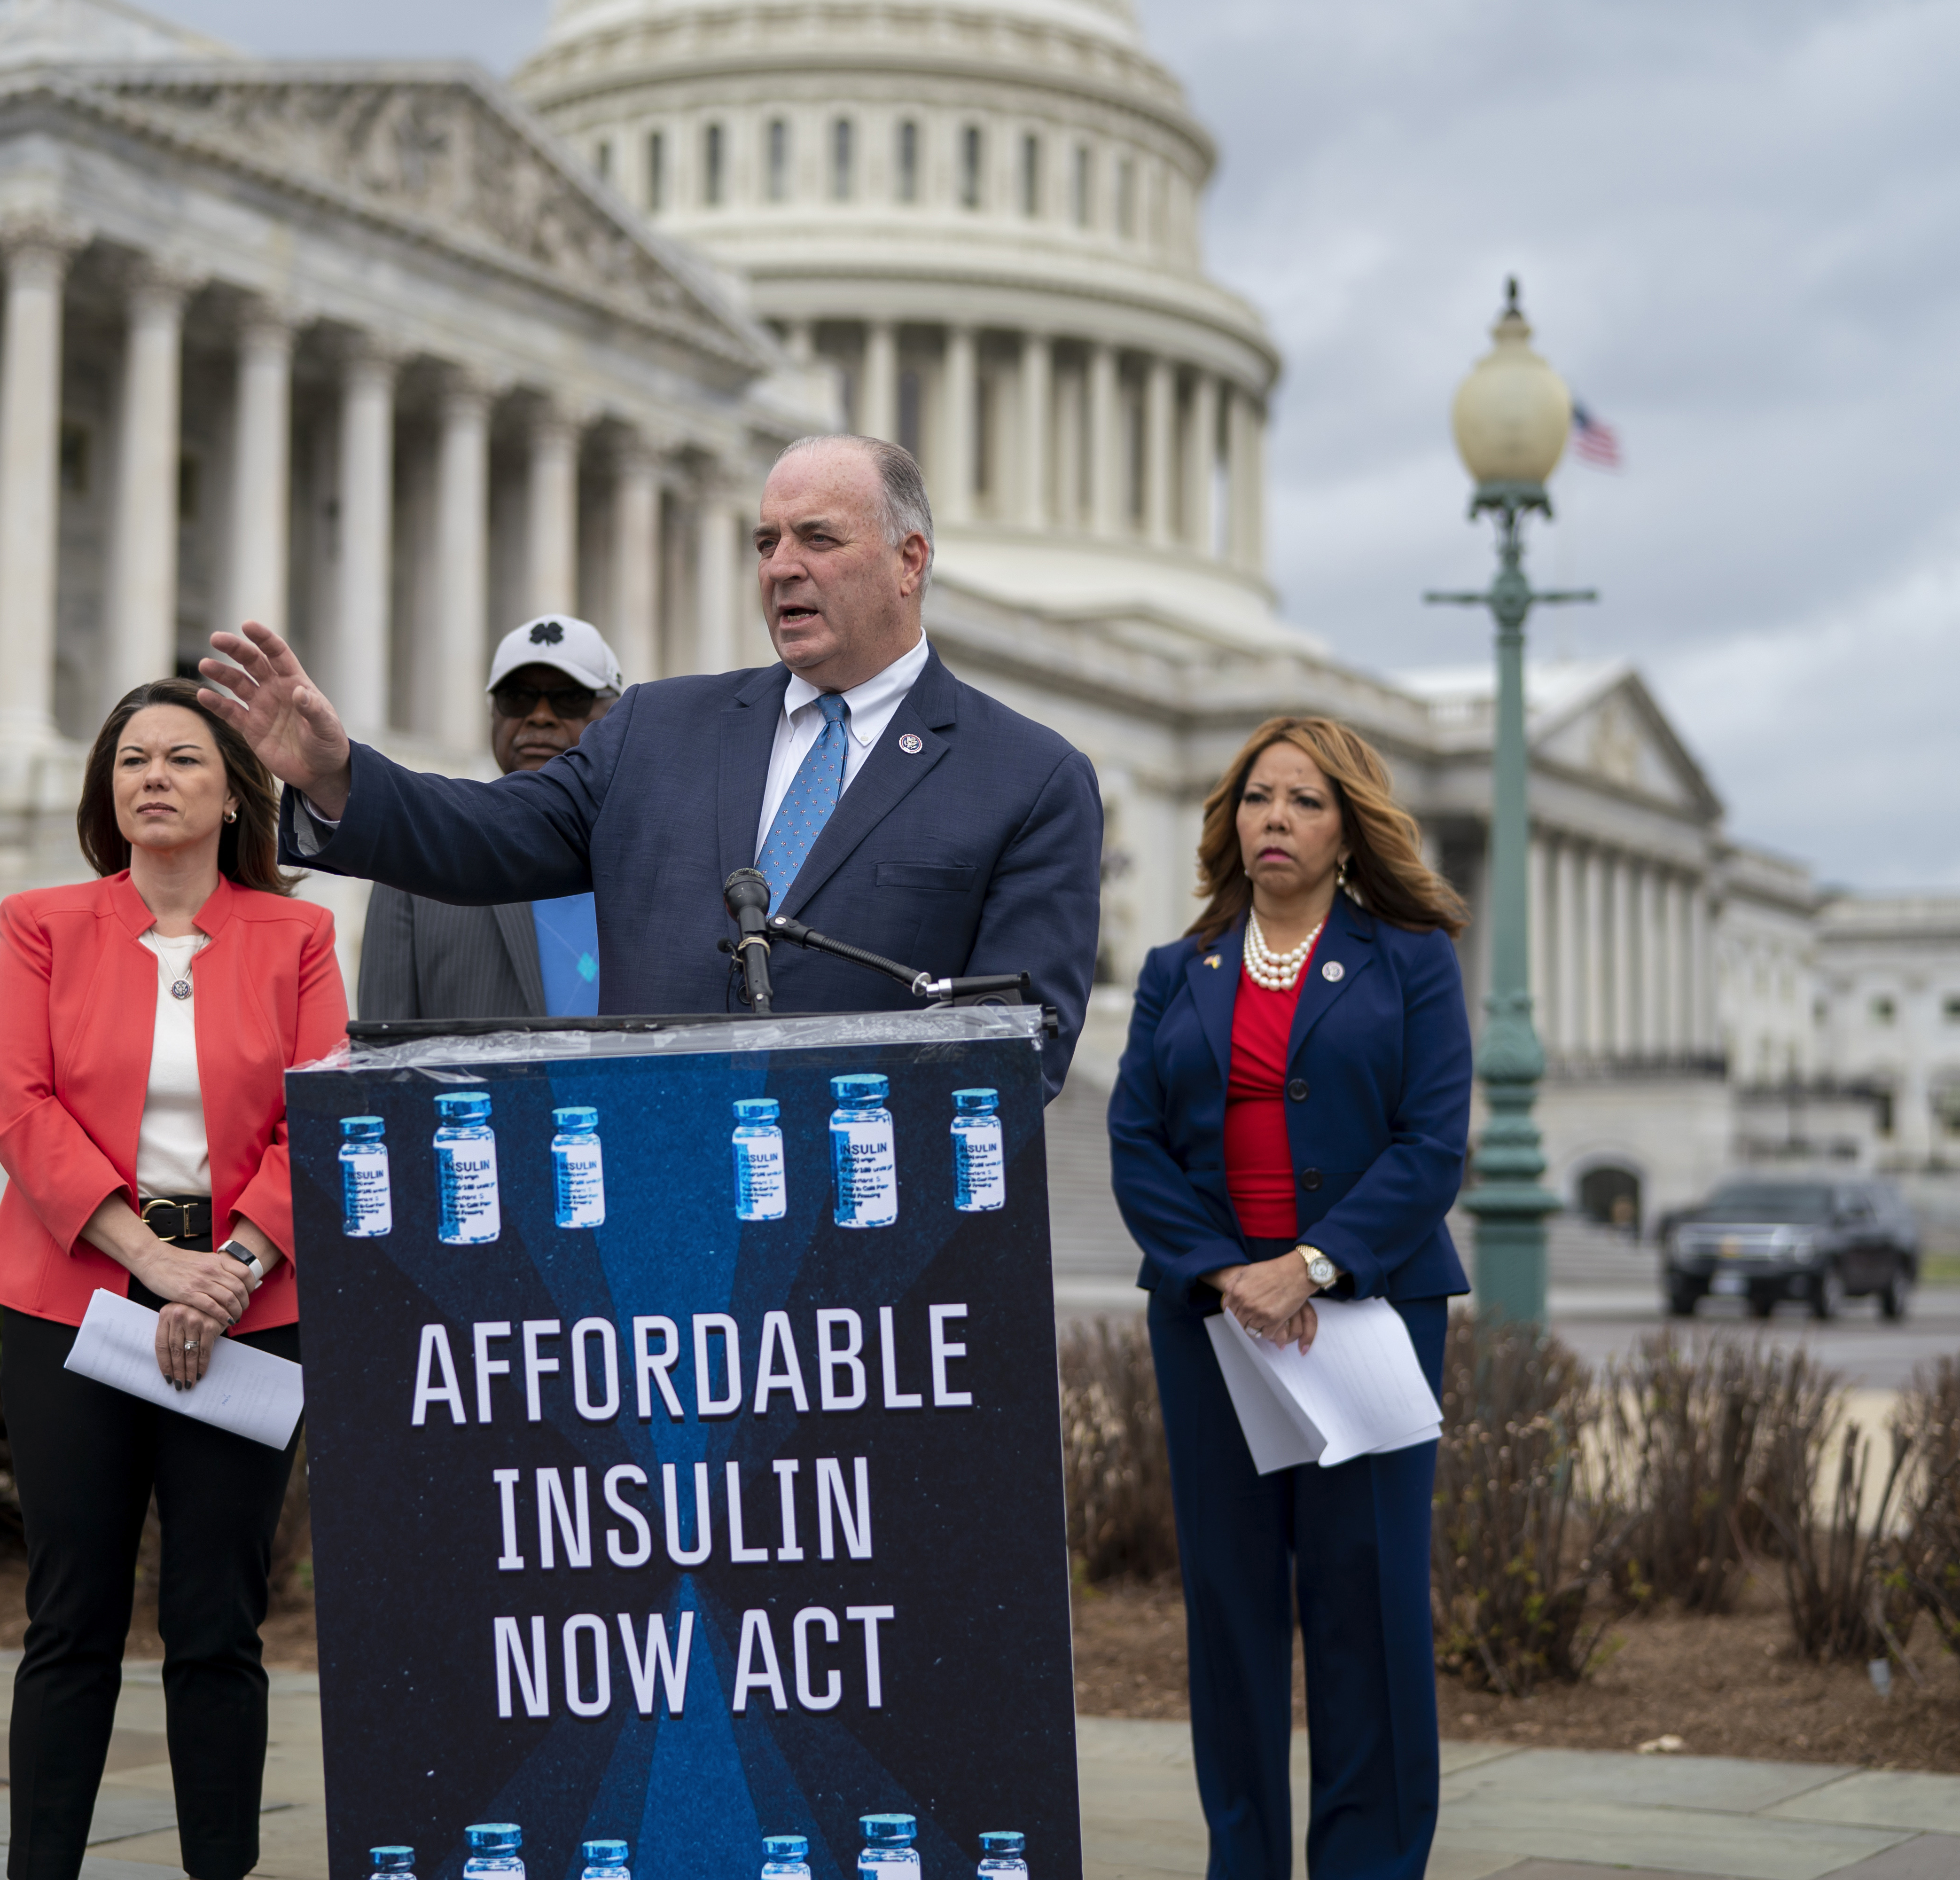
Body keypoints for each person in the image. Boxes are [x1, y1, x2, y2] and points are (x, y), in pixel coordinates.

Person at [198, 433, 1103, 1095]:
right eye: (765, 543)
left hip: (870, 1242)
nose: (781, 567)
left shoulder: (1025, 778)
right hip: (647, 1208)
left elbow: (1022, 1046)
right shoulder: (657, 729)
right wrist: (335, 773)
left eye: (817, 539)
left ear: (910, 562)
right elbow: (488, 836)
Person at [0, 676, 347, 1880]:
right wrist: (149, 1261)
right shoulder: (41, 923)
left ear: (235, 793)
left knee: (215, 1622)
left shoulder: (299, 936)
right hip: (74, 1289)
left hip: (252, 1298)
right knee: (70, 1615)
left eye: (182, 759)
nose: (153, 778)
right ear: (107, 790)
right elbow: (18, 1106)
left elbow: (318, 1112)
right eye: (132, 759)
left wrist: (226, 1272)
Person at [1107, 715, 1474, 1880]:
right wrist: (1226, 1269)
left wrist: (1310, 1263)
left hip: (1365, 1310)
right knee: (1230, 1605)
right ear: (1232, 821)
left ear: (1348, 828)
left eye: (1305, 801)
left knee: (1365, 1602)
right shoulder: (1178, 968)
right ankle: (1246, 1859)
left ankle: (1370, 1861)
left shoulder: (1409, 959)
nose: (1277, 818)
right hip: (1211, 1321)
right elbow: (1134, 1144)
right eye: (1259, 797)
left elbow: (1431, 1144)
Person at [358, 615, 624, 1021]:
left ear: (617, 718)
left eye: (570, 698)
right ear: (493, 716)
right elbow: (384, 1054)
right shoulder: (417, 869)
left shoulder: (657, 860)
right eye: (516, 698)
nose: (539, 717)